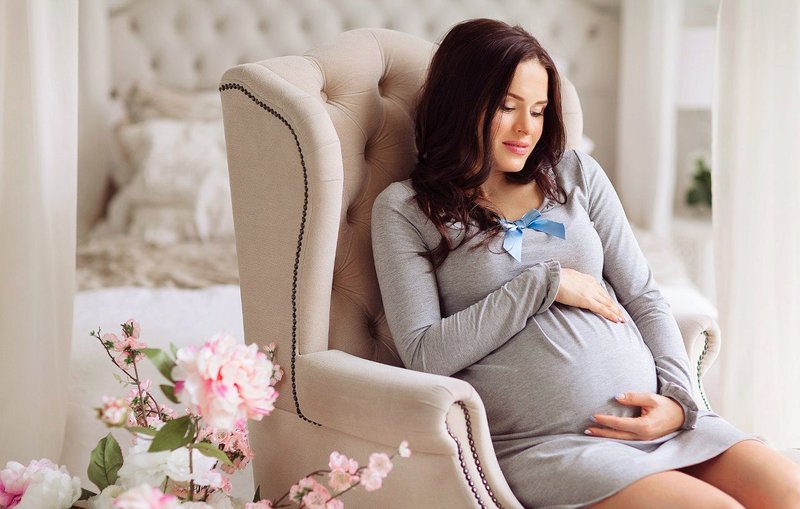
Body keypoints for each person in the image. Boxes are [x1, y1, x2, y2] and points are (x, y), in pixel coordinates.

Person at [371, 18, 800, 508]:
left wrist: (679, 403)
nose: (526, 129)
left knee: (789, 491)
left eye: (538, 110)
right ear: (461, 103)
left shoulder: (575, 174)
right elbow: (424, 355)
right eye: (508, 107)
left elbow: (643, 296)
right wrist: (543, 284)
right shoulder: (405, 210)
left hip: (659, 423)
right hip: (549, 446)